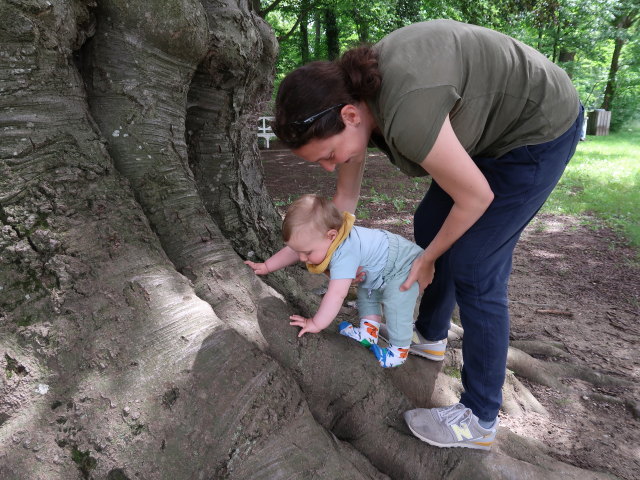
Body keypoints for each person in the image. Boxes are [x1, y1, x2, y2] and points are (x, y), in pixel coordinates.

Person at [270, 19, 583, 451]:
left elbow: (475, 198)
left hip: (537, 129)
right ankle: (430, 338)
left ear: (349, 115)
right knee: (430, 225)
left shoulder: (407, 114)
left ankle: (479, 417)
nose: (329, 165)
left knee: (474, 263)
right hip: (488, 133)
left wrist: (428, 258)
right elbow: (345, 199)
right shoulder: (356, 102)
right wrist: (331, 251)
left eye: (327, 155)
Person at [245, 194, 424, 368]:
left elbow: (337, 294)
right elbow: (293, 251)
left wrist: (316, 323)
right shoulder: (324, 240)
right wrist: (267, 266)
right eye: (299, 252)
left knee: (396, 305)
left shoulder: (344, 253)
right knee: (367, 293)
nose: (301, 258)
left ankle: (399, 351)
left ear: (331, 236)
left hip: (403, 265)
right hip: (379, 267)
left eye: (307, 253)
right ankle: (368, 333)